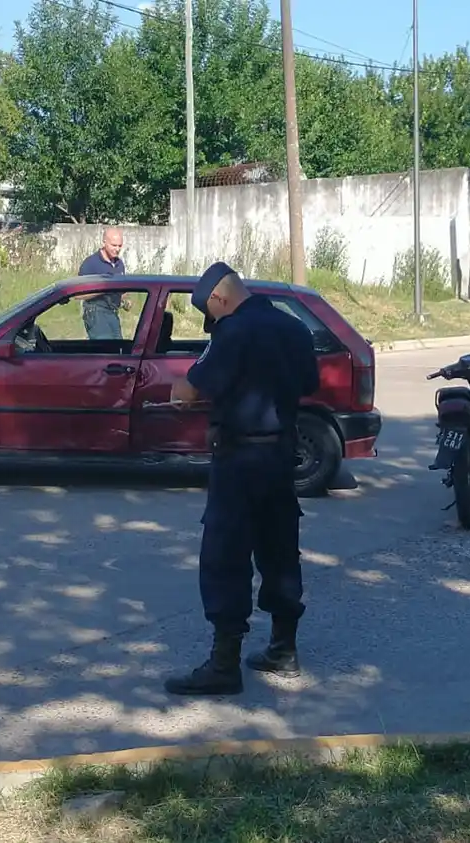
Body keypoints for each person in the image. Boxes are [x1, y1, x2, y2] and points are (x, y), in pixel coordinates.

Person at [163, 261, 320, 696]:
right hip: (281, 455)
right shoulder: (294, 329)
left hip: (239, 458)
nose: (214, 322)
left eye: (212, 314)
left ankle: (223, 663)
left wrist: (181, 394)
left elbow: (191, 389)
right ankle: (283, 649)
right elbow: (309, 383)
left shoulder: (231, 332)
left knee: (225, 554)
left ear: (218, 299)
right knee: (280, 549)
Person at [75, 227, 129, 340]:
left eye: (120, 246)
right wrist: (103, 289)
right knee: (106, 350)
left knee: (119, 349)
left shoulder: (119, 264)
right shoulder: (91, 263)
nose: (117, 249)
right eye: (114, 245)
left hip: (113, 312)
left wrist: (125, 301)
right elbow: (77, 294)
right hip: (95, 312)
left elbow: (123, 291)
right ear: (104, 242)